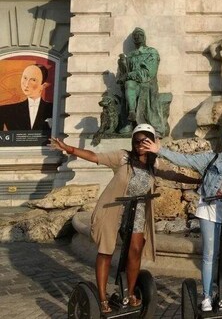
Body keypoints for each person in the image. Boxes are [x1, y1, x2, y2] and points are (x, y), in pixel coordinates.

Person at [48, 124, 178, 314]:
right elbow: (95, 157)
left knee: (135, 249)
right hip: (114, 208)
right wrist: (68, 149)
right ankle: (102, 298)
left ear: (152, 142)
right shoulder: (123, 157)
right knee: (106, 250)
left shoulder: (154, 163)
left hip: (138, 209)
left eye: (146, 140)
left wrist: (200, 181)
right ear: (132, 142)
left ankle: (129, 293)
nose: (141, 144)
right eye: (137, 140)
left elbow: (172, 174)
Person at [145, 126, 222, 312]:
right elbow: (185, 160)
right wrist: (160, 151)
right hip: (209, 210)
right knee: (209, 254)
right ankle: (206, 295)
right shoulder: (210, 159)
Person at [117, 27, 162, 130]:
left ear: (144, 37)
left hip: (147, 83)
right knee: (129, 84)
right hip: (133, 84)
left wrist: (127, 76)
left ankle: (137, 119)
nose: (137, 37)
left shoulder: (151, 52)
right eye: (135, 36)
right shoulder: (130, 55)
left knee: (130, 82)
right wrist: (122, 64)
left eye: (140, 35)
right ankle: (131, 113)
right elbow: (125, 73)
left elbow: (149, 73)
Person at [0, 63, 53, 131]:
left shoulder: (53, 109)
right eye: (25, 78)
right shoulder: (5, 111)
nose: (26, 84)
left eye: (33, 80)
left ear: (43, 85)